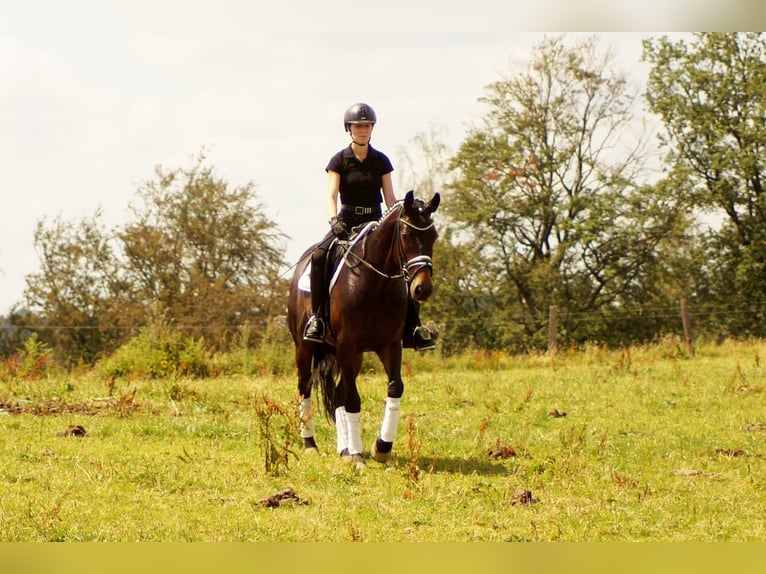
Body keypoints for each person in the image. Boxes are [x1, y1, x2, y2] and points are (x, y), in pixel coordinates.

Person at [303, 102, 435, 351]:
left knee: (405, 262)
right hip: (346, 221)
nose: (363, 130)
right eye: (358, 126)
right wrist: (334, 221)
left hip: (376, 222)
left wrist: (408, 211)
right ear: (349, 129)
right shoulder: (339, 161)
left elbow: (390, 199)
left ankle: (413, 327)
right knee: (320, 256)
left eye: (367, 125)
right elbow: (331, 196)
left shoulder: (381, 161)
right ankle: (318, 319)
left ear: (372, 129)